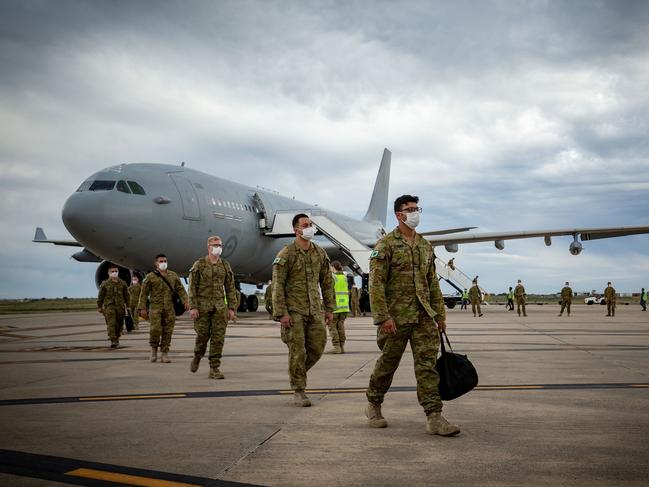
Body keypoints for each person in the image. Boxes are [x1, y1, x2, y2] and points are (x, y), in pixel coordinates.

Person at [365, 195, 460, 437]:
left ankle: (434, 416)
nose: (415, 212)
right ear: (399, 215)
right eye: (410, 209)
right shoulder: (385, 245)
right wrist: (382, 317)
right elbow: (375, 285)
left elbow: (433, 284)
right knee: (388, 364)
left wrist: (439, 315)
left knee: (428, 367)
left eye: (417, 208)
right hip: (395, 318)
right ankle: (374, 404)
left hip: (423, 317)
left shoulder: (424, 246)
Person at [272, 213, 334, 407]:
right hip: (294, 311)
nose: (309, 228)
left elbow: (327, 282)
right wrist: (281, 313)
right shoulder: (286, 254)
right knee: (297, 351)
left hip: (315, 309)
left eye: (311, 224)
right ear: (296, 230)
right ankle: (299, 390)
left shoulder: (319, 253)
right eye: (305, 225)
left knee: (317, 348)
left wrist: (330, 308)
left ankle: (296, 373)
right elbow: (277, 285)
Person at [188, 236, 238, 379]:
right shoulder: (200, 265)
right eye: (215, 245)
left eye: (220, 245)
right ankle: (197, 356)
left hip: (220, 307)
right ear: (208, 247)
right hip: (202, 307)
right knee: (203, 335)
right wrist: (193, 307)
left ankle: (214, 368)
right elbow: (192, 287)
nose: (218, 247)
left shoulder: (225, 265)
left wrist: (232, 308)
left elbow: (230, 288)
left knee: (218, 338)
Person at [138, 254, 189, 363]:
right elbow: (143, 293)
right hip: (155, 308)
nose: (163, 263)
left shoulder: (173, 275)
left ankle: (164, 353)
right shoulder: (150, 277)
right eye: (161, 261)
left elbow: (180, 289)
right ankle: (154, 350)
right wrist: (142, 308)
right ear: (156, 263)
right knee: (155, 329)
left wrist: (186, 301)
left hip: (169, 308)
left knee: (168, 331)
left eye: (165, 261)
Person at [97, 264, 129, 348]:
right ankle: (113, 340)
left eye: (116, 271)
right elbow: (101, 296)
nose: (114, 273)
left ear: (118, 272)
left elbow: (127, 295)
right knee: (111, 323)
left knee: (119, 324)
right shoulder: (105, 284)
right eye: (112, 271)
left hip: (120, 307)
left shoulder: (123, 283)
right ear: (109, 273)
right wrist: (99, 306)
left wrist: (128, 305)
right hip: (109, 307)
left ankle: (117, 337)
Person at [327, 260, 350, 354]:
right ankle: (341, 346)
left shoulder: (333, 277)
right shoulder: (344, 277)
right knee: (340, 327)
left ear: (333, 267)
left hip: (335, 307)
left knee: (332, 327)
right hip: (344, 307)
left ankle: (336, 347)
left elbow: (329, 293)